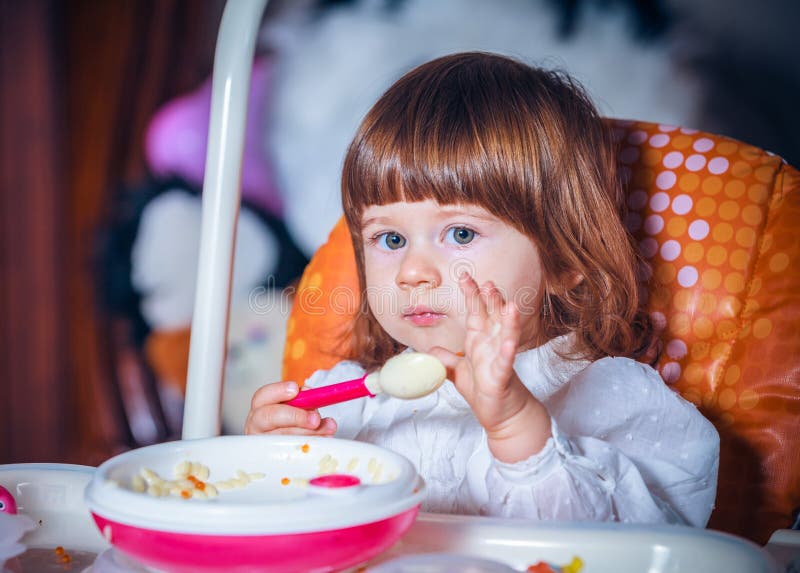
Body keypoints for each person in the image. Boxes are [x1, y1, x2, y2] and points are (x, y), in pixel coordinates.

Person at [245, 52, 719, 526]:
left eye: (461, 233)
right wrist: (272, 466)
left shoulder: (613, 403)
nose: (412, 272)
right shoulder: (345, 409)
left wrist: (516, 427)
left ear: (564, 260)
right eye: (391, 240)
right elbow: (288, 534)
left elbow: (636, 549)